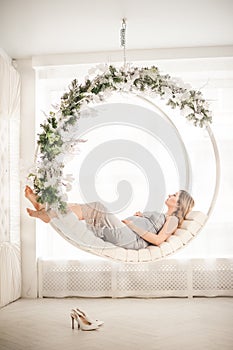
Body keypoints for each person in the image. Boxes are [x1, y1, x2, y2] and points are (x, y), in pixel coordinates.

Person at [25, 186, 194, 250]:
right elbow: (154, 226)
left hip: (129, 236)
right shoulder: (166, 216)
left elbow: (157, 240)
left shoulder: (173, 220)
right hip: (127, 233)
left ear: (179, 204)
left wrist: (133, 225)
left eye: (175, 195)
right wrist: (141, 216)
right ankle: (45, 210)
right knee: (91, 208)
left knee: (97, 207)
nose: (170, 194)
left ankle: (46, 210)